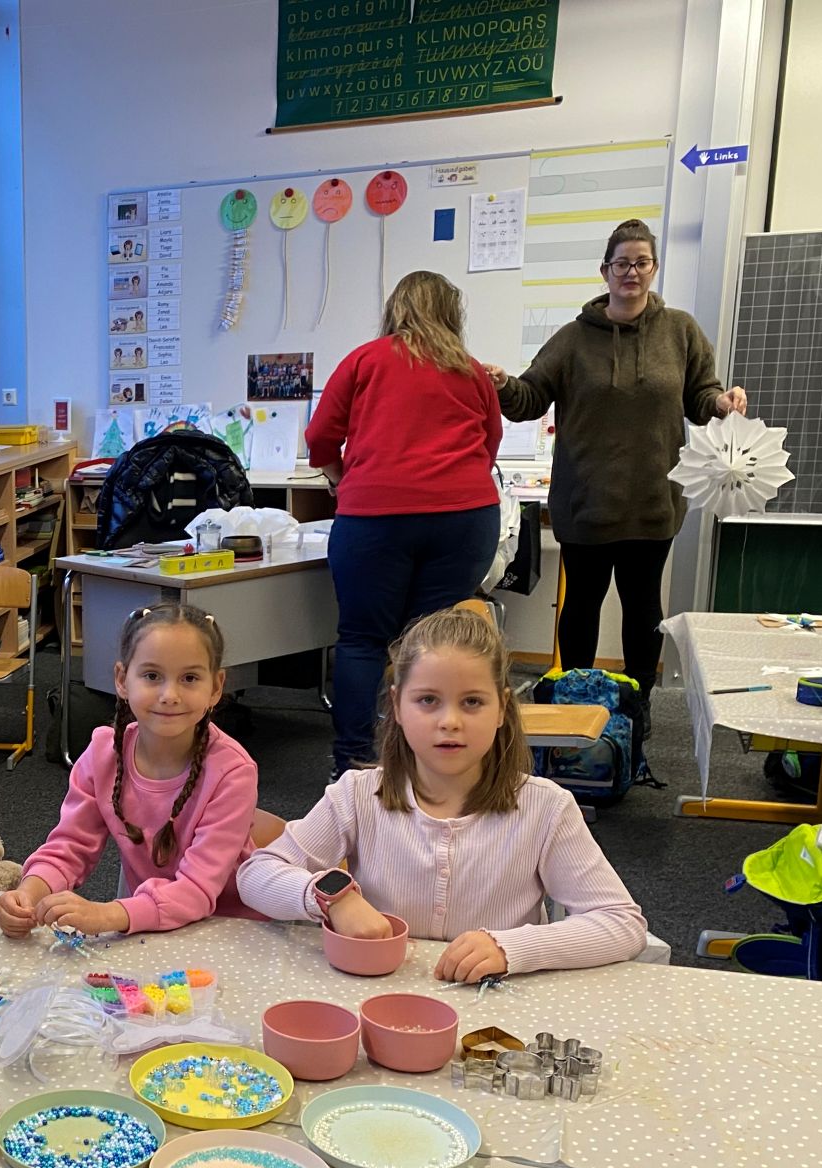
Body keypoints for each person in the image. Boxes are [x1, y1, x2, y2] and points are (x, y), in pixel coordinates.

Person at [237, 608, 647, 979]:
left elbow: (620, 923)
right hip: (382, 999)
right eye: (428, 700)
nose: (449, 721)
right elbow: (256, 875)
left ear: (502, 709)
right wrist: (330, 898)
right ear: (397, 705)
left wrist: (512, 947)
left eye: (472, 702)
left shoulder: (546, 807)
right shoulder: (358, 795)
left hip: (494, 1013)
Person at [485, 219, 747, 709]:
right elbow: (530, 398)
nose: (632, 272)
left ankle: (637, 709)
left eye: (641, 262)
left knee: (643, 607)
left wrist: (720, 402)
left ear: (654, 268)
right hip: (585, 502)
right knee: (581, 606)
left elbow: (699, 397)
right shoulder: (572, 338)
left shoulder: (681, 331)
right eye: (622, 263)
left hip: (652, 501)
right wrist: (502, 384)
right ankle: (575, 704)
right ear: (605, 271)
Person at [307, 270, 504, 773]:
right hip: (464, 517)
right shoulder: (471, 370)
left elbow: (320, 438)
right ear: (451, 314)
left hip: (375, 516)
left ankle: (354, 763)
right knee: (431, 643)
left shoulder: (364, 360)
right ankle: (424, 762)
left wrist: (342, 478)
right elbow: (489, 445)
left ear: (395, 309)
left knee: (362, 640)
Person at [0, 603, 265, 938]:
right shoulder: (103, 753)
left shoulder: (233, 772)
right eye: (152, 676)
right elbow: (70, 847)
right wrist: (29, 893)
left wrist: (107, 914)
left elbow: (197, 890)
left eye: (190, 678)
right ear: (122, 680)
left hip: (229, 932)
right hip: (149, 926)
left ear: (216, 687)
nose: (169, 695)